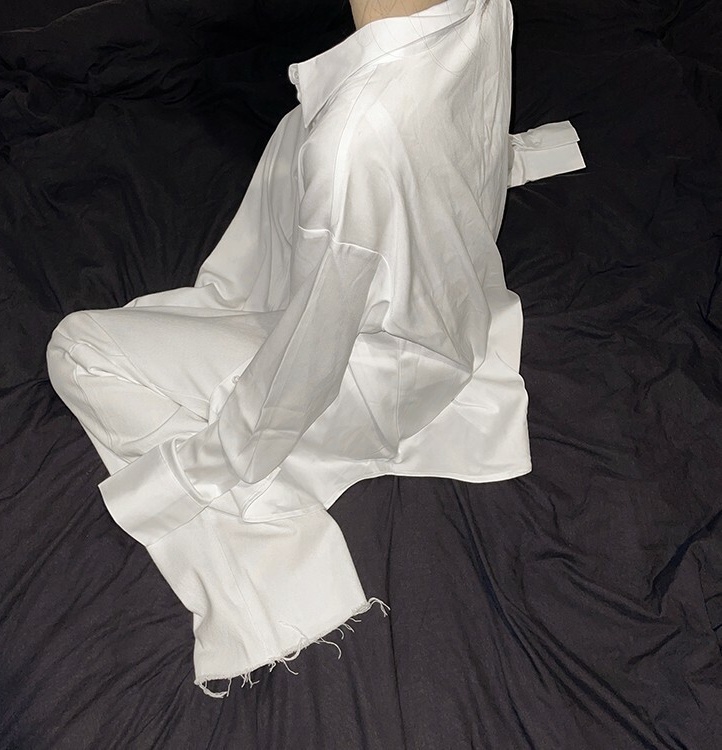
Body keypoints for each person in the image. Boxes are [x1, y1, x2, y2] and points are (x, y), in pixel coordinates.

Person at [47, 0, 585, 697]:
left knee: (78, 348)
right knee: (301, 133)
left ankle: (270, 600)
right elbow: (462, 133)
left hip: (373, 368)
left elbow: (303, 367)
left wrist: (196, 473)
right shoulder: (474, 10)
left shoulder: (354, 137)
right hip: (445, 306)